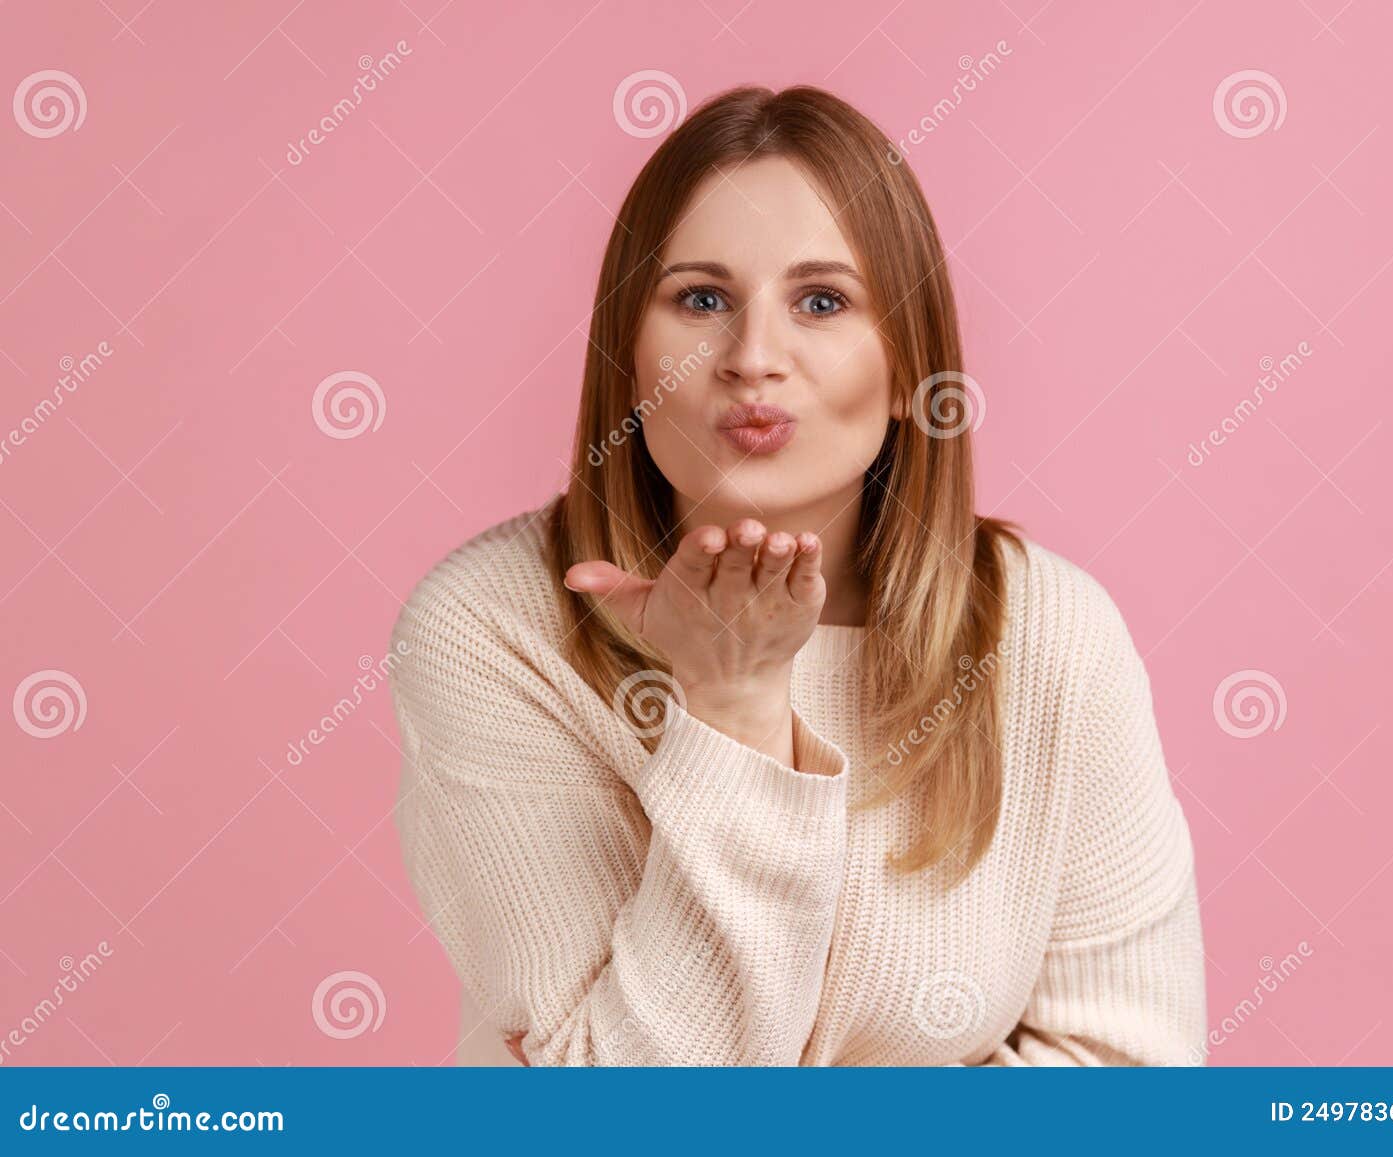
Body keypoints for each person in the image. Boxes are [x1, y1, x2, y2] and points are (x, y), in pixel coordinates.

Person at [389, 84, 1206, 1066]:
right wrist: (731, 707)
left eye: (821, 300)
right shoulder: (493, 626)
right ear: (626, 354)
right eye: (701, 298)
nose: (753, 357)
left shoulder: (1046, 628)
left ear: (910, 367)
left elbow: (1133, 1079)